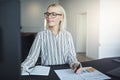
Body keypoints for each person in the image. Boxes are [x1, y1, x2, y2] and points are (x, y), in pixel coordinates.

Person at [21, 3, 82, 74]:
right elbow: (32, 58)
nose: (49, 17)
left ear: (61, 17)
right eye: (48, 14)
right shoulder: (41, 35)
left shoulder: (68, 35)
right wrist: (22, 67)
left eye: (53, 14)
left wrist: (75, 65)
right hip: (47, 73)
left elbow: (72, 57)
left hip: (64, 72)